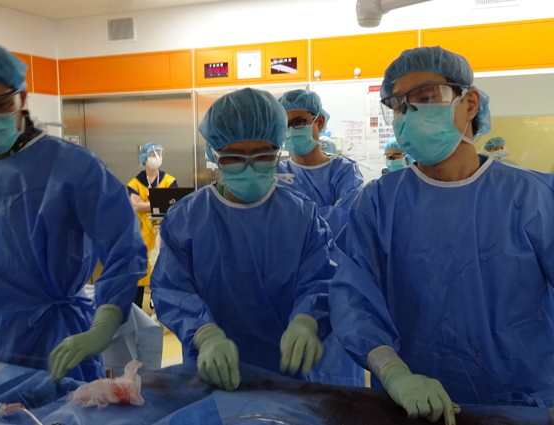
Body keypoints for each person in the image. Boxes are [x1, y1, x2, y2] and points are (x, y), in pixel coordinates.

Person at [331, 45, 554, 425]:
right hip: (414, 406)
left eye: (427, 97)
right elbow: (353, 299)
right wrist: (394, 373)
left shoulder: (532, 198)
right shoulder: (377, 204)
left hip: (523, 403)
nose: (409, 113)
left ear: (470, 104)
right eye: (399, 105)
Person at [0, 44, 147, 382]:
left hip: (57, 337)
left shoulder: (72, 166)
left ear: (22, 98)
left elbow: (123, 249)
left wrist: (104, 322)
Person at [150, 87, 363, 391]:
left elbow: (321, 279)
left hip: (288, 376)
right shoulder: (185, 219)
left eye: (262, 157)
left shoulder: (301, 216)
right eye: (233, 158)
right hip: (212, 372)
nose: (249, 168)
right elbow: (172, 288)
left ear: (278, 152)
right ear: (213, 154)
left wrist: (307, 320)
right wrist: (204, 334)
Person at [277, 90, 363, 236]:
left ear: (320, 122)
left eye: (298, 122)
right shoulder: (277, 174)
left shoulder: (344, 171)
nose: (291, 131)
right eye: (285, 125)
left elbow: (343, 221)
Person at [127, 142, 178, 308]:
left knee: (162, 273)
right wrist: (159, 202)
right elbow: (134, 207)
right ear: (144, 158)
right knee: (139, 275)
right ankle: (136, 311)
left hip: (163, 235)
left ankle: (160, 308)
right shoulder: (135, 183)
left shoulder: (169, 181)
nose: (156, 158)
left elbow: (173, 204)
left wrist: (145, 204)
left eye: (159, 154)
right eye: (152, 154)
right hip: (141, 236)